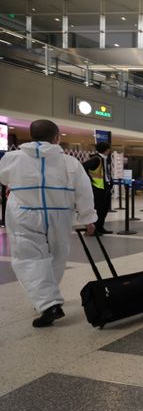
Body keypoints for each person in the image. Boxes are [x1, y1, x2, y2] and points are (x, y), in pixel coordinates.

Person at [0, 120, 97, 328]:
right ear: (57, 137)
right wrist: (88, 219)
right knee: (57, 255)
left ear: (31, 136)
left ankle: (48, 302)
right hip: (60, 215)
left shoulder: (12, 158)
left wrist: (14, 184)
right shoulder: (70, 163)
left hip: (24, 214)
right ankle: (46, 298)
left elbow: (3, 178)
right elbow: (84, 192)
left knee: (29, 259)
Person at [82, 142, 114, 234]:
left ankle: (100, 227)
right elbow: (83, 167)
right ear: (107, 149)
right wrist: (90, 179)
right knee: (99, 209)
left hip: (105, 188)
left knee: (104, 209)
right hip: (98, 188)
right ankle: (95, 228)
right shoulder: (96, 159)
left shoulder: (105, 159)